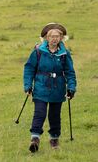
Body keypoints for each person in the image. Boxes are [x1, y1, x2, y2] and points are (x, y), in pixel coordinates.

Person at [23, 23, 77, 153]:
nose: (54, 39)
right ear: (46, 38)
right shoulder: (38, 51)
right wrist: (28, 85)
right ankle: (35, 139)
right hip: (41, 86)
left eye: (57, 36)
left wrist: (71, 88)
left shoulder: (64, 54)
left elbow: (70, 72)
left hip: (58, 88)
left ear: (61, 38)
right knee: (39, 113)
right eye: (52, 36)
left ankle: (54, 139)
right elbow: (29, 68)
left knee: (54, 116)